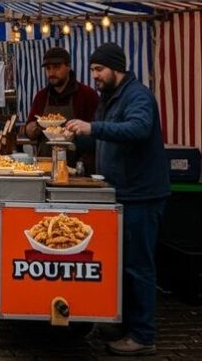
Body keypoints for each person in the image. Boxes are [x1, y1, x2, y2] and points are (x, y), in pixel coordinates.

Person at [65, 43, 168, 356]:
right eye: (93, 70)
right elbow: (102, 135)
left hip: (141, 194)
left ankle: (142, 335)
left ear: (115, 68)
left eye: (99, 70)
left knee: (138, 266)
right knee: (122, 264)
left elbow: (137, 129)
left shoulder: (138, 97)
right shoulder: (109, 98)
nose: (94, 75)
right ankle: (125, 323)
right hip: (120, 191)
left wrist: (92, 126)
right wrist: (72, 136)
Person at [23, 46, 100, 171]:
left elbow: (98, 133)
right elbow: (28, 131)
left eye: (56, 67)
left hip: (77, 168)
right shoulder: (41, 96)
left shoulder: (87, 95)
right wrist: (31, 129)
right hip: (46, 166)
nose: (51, 73)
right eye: (48, 69)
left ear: (68, 66)